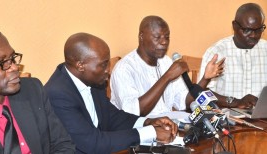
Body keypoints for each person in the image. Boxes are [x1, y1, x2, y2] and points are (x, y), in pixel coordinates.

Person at [44, 32, 178, 154]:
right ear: (80, 66)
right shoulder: (58, 94)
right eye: (103, 64)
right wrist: (150, 133)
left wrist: (148, 122)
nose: (108, 70)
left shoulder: (93, 79)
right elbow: (92, 143)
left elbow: (112, 116)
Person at [0, 24, 75, 154]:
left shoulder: (32, 90)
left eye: (12, 58)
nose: (13, 67)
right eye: (2, 63)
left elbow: (62, 144)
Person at [110, 15, 224, 117]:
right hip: (137, 133)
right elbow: (134, 113)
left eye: (167, 37)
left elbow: (183, 102)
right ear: (141, 36)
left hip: (167, 127)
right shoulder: (124, 68)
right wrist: (167, 76)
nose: (164, 42)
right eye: (157, 37)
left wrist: (205, 79)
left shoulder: (166, 61)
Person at [199, 3, 267, 109]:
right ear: (234, 26)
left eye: (259, 30)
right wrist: (235, 102)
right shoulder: (217, 52)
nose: (254, 35)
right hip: (227, 118)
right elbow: (201, 92)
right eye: (247, 30)